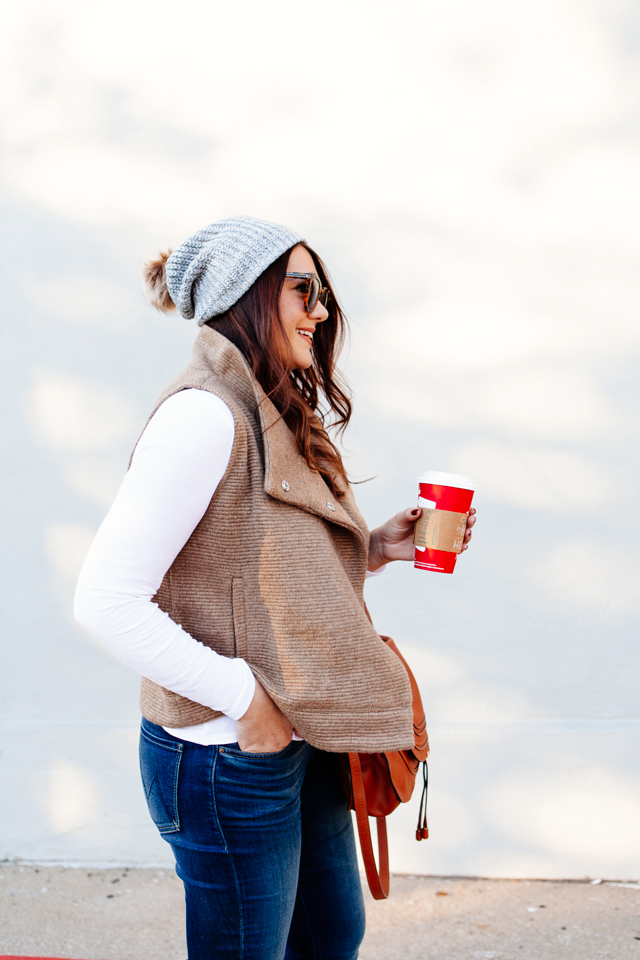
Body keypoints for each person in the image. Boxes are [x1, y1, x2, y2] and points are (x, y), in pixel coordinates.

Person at [74, 215, 476, 960]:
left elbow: (245, 562)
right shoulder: (204, 415)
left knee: (330, 940)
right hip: (229, 752)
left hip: (299, 733)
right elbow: (104, 600)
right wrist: (245, 702)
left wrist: (373, 550)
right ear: (247, 294)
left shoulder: (269, 408)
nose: (320, 311)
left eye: (322, 293)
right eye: (303, 290)